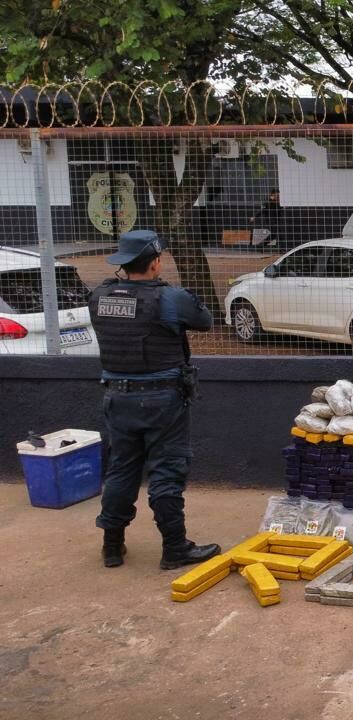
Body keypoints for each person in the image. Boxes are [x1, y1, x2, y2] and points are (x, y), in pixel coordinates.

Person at [89, 230, 221, 570]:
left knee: (121, 470)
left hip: (117, 397)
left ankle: (112, 546)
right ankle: (175, 548)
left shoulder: (100, 297)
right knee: (167, 471)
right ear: (156, 263)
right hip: (163, 399)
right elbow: (205, 321)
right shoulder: (169, 298)